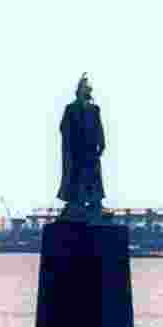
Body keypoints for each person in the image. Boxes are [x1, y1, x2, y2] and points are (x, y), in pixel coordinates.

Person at [57, 73, 106, 221]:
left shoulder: (95, 109)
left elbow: (99, 127)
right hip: (77, 151)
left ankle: (95, 202)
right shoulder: (71, 108)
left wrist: (102, 143)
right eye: (85, 88)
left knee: (93, 177)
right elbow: (63, 127)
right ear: (79, 91)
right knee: (76, 177)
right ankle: (75, 202)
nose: (88, 91)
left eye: (89, 89)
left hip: (91, 150)